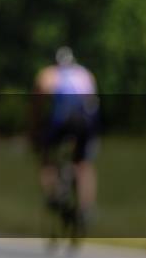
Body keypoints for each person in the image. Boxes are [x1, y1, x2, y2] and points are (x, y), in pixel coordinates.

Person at [32, 46, 100, 228]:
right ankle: (86, 208)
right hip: (87, 122)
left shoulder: (48, 74)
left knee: (46, 156)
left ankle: (53, 195)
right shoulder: (85, 74)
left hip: (62, 120)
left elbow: (37, 107)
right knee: (84, 164)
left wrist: (35, 132)